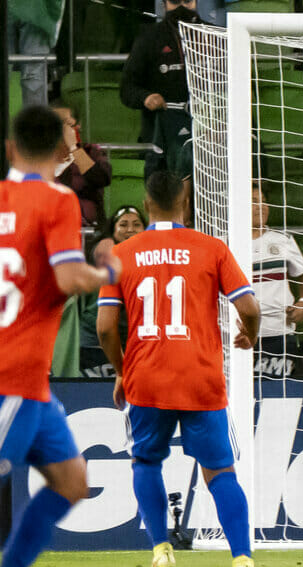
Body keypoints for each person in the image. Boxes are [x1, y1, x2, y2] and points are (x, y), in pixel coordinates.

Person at [95, 171, 261, 567]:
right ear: (185, 202)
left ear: (147, 205)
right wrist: (250, 333)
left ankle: (161, 550)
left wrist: (121, 370)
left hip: (147, 377)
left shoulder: (121, 253)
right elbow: (250, 306)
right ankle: (243, 561)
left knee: (146, 462)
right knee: (220, 472)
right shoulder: (211, 248)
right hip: (201, 378)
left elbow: (104, 327)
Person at [0, 105, 123, 567]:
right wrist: (110, 269)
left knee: (73, 480)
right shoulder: (56, 198)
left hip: (33, 382)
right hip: (12, 375)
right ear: (58, 155)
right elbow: (68, 277)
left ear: (9, 149)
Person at [120, 0, 202, 179]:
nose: (181, 7)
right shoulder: (149, 38)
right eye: (174, 1)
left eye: (187, 1)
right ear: (164, 4)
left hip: (207, 135)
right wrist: (146, 98)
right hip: (162, 138)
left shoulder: (214, 35)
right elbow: (127, 88)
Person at [251, 183, 303, 379]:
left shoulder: (283, 240)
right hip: (238, 336)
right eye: (254, 202)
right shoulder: (224, 242)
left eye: (264, 202)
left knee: (289, 393)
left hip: (279, 333)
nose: (261, 206)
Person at [79, 205, 147, 378]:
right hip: (95, 338)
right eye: (123, 224)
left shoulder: (149, 255)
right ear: (113, 229)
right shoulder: (105, 248)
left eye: (136, 224)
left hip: (129, 336)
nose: (130, 229)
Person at [53, 104, 113, 231]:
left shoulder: (92, 152)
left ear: (76, 125)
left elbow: (102, 178)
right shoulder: (39, 159)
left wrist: (74, 147)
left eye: (62, 123)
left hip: (90, 232)